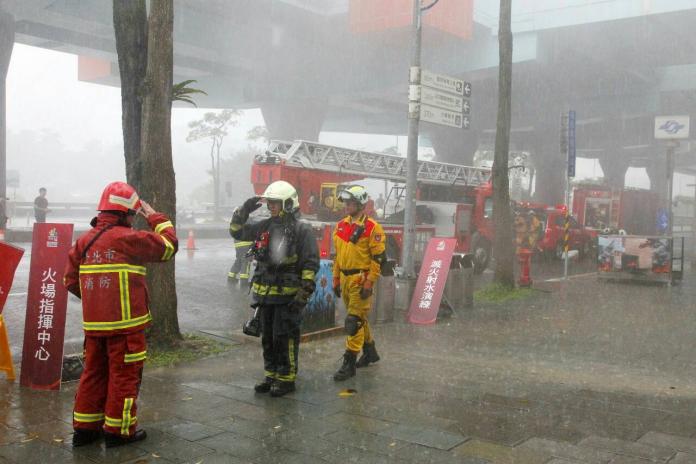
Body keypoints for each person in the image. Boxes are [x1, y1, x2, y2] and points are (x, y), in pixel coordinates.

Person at [64, 181, 178, 448]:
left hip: (94, 327)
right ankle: (119, 431)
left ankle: (85, 429)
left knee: (93, 373)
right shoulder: (128, 239)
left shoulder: (83, 241)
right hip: (127, 329)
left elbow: (69, 280)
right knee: (124, 377)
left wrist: (97, 301)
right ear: (126, 213)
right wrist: (154, 217)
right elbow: (169, 245)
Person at [230, 180, 319, 397]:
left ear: (288, 204)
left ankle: (286, 378)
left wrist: (303, 293)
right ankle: (271, 376)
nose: (271, 207)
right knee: (267, 338)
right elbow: (237, 232)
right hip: (265, 296)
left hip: (288, 297)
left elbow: (310, 263)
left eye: (275, 203)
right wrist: (243, 210)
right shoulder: (265, 226)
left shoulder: (302, 229)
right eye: (269, 203)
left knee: (285, 337)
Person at [332, 185, 386, 381]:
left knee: (353, 322)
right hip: (345, 279)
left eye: (351, 202)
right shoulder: (340, 226)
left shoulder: (372, 227)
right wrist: (336, 279)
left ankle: (349, 363)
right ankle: (370, 351)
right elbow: (337, 256)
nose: (346, 206)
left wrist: (369, 282)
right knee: (359, 318)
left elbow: (378, 258)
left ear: (360, 204)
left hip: (360, 280)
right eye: (345, 202)